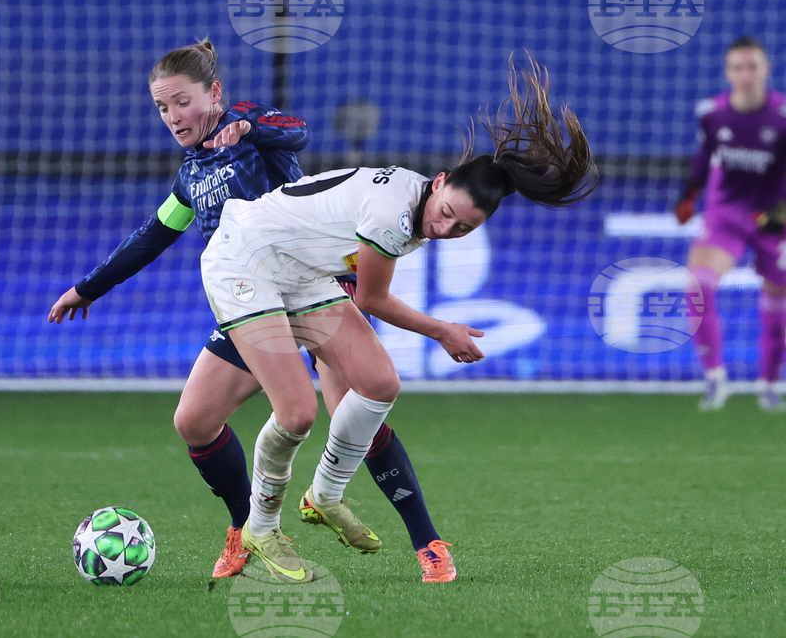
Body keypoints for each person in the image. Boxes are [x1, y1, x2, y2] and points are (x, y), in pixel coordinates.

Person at [49, 41, 458, 583]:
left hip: (308, 287)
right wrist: (89, 287)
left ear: (214, 92)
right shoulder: (190, 177)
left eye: (182, 102)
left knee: (355, 408)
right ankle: (246, 527)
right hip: (249, 300)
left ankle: (427, 542)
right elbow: (154, 235)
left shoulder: (253, 131)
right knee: (194, 422)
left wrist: (245, 124)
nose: (173, 116)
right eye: (163, 107)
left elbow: (295, 131)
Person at [200, 56, 597, 583]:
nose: (446, 228)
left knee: (380, 382)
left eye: (463, 228)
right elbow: (371, 298)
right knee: (296, 412)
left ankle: (324, 496)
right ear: (439, 182)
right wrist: (443, 331)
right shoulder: (393, 212)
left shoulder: (419, 200)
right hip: (244, 261)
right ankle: (261, 527)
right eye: (447, 212)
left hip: (299, 271)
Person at [675, 36, 786, 412]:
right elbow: (704, 156)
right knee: (697, 286)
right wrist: (688, 195)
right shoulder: (713, 114)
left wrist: (779, 215)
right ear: (728, 73)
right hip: (727, 217)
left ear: (766, 70)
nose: (746, 75)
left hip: (775, 219)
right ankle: (715, 379)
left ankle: (769, 385)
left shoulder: (782, 117)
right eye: (738, 68)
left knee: (778, 304)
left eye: (752, 67)